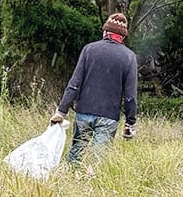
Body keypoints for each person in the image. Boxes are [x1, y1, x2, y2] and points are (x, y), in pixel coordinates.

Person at [51, 12, 138, 163]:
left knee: (76, 154)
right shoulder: (129, 57)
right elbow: (130, 96)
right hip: (109, 116)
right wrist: (130, 122)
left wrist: (61, 111)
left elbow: (74, 84)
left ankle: (72, 176)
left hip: (83, 112)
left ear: (105, 32)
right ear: (122, 36)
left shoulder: (89, 50)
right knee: (97, 161)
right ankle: (92, 177)